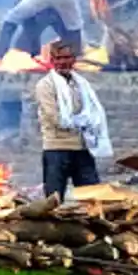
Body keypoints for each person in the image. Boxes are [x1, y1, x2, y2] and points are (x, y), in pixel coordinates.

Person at [35, 40, 111, 199]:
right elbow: (56, 118)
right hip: (56, 148)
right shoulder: (45, 85)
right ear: (52, 60)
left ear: (74, 59)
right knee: (54, 200)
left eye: (67, 57)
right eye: (59, 58)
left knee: (93, 197)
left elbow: (93, 113)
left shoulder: (81, 84)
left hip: (82, 148)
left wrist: (86, 123)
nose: (63, 62)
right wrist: (82, 121)